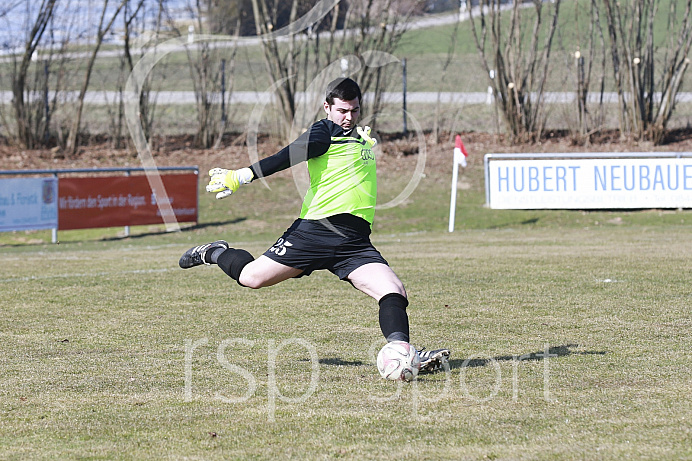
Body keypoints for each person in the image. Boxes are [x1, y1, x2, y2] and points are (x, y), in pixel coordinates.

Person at [179, 77, 449, 373]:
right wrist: (243, 175)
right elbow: (288, 155)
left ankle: (403, 352)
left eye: (355, 111)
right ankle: (215, 252)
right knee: (251, 277)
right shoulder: (324, 132)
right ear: (327, 107)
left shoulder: (359, 136)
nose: (348, 118)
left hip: (354, 240)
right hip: (317, 231)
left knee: (393, 290)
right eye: (342, 111)